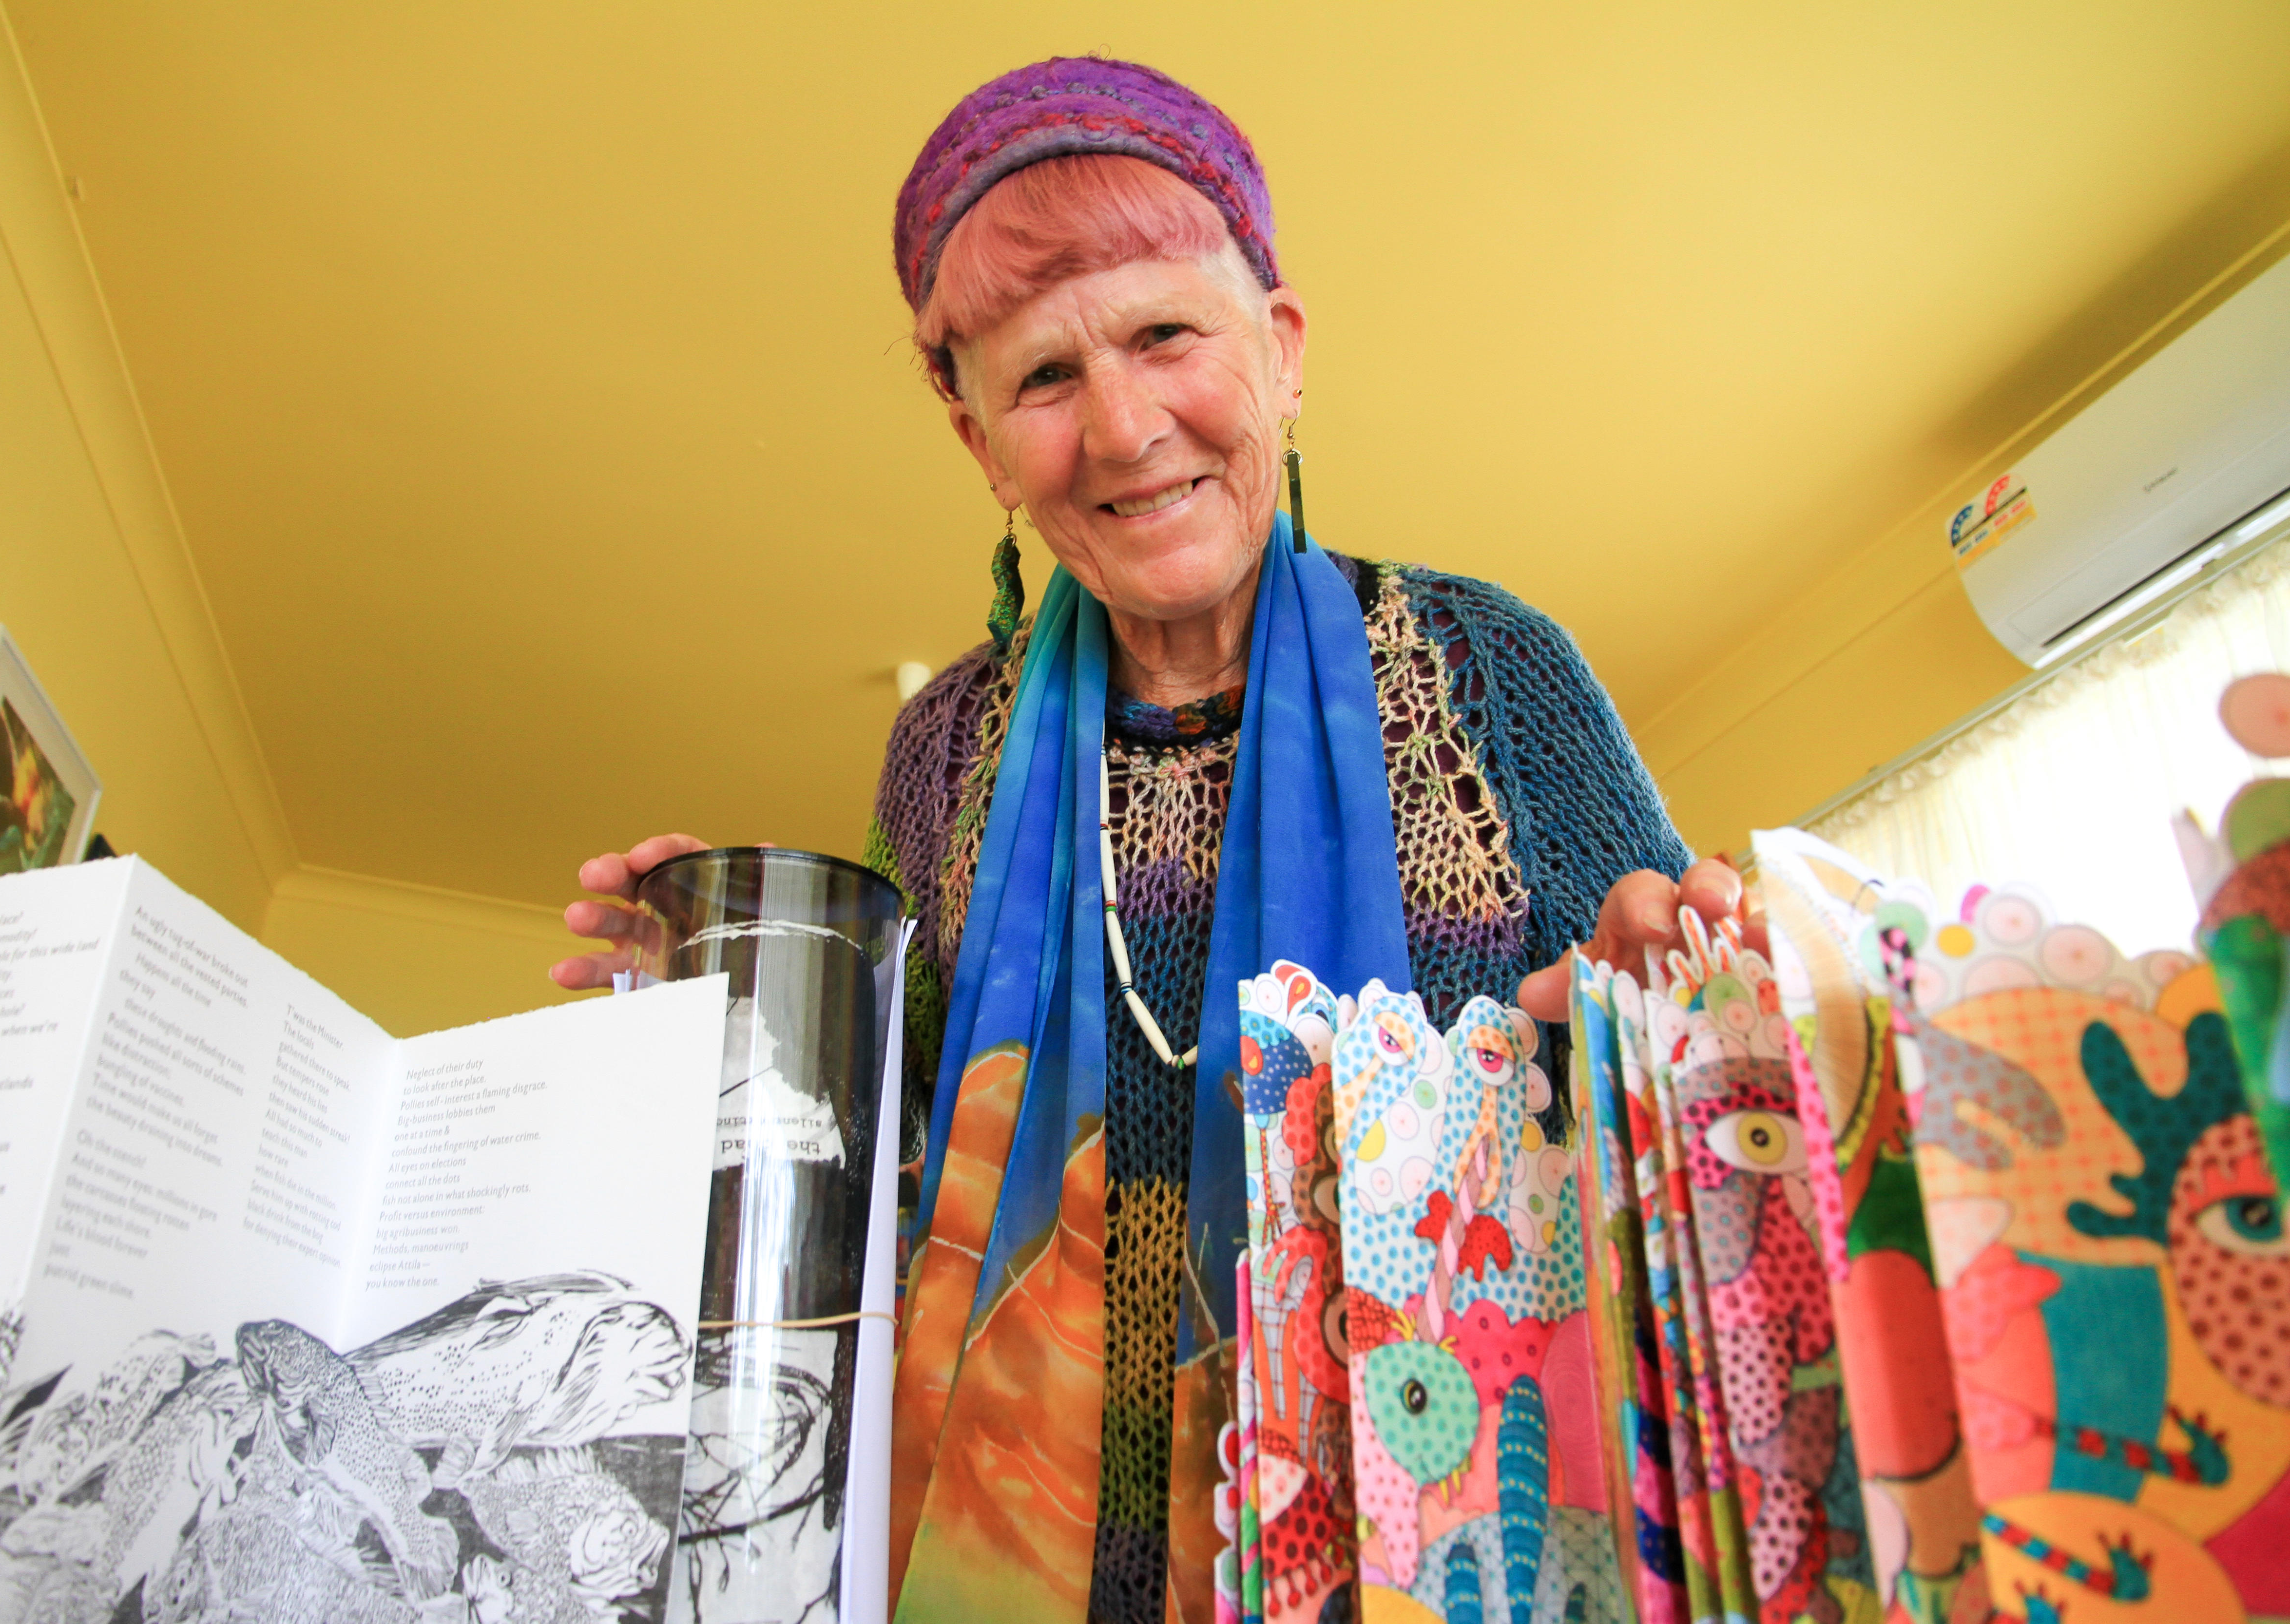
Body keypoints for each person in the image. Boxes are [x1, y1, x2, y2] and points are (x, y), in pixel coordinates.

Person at [552, 56, 1757, 1624]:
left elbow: (1687, 1117)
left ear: (1283, 351)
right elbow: (894, 1181)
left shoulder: (1493, 675)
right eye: (1044, 379)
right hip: (1015, 1542)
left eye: (1165, 335)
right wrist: (725, 1047)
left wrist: (1670, 992)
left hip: (1450, 1539)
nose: (1123, 429)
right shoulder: (940, 757)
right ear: (982, 443)